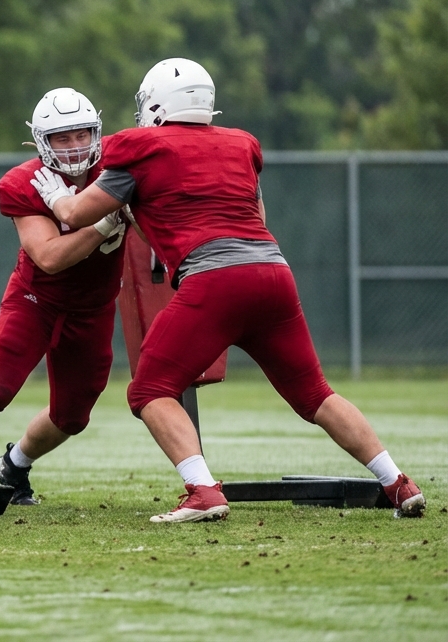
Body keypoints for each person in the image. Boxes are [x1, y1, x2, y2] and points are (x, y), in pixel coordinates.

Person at [33, 58, 426, 522]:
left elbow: (78, 215)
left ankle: (202, 490)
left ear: (156, 106)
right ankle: (398, 483)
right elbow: (255, 220)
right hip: (273, 273)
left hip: (214, 280)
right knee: (315, 393)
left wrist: (56, 196)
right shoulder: (241, 144)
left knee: (148, 391)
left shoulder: (139, 146)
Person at [0, 88, 126, 506]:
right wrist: (104, 225)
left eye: (81, 135)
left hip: (94, 307)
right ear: (41, 142)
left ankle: (15, 464)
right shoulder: (25, 183)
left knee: (73, 417)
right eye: (62, 138)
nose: (75, 147)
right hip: (37, 300)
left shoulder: (121, 164)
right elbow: (50, 258)